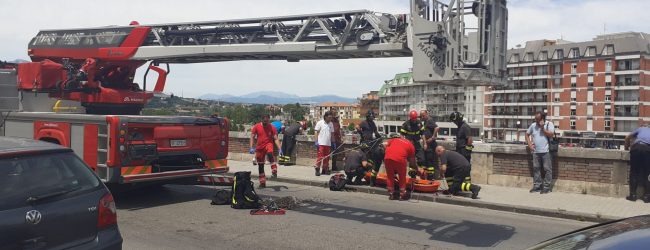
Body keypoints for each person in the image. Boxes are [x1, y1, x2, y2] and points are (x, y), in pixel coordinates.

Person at [525, 111, 555, 194]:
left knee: (547, 169)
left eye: (538, 119)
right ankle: (537, 186)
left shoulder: (549, 124)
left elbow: (551, 135)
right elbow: (527, 134)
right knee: (536, 169)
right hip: (535, 152)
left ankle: (546, 187)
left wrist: (542, 128)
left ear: (542, 119)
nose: (536, 121)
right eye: (535, 119)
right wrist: (530, 145)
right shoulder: (533, 125)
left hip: (546, 151)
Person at [249, 114, 283, 188]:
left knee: (270, 154)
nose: (265, 123)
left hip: (268, 144)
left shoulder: (272, 127)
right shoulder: (256, 126)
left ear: (268, 120)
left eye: (267, 121)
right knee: (261, 166)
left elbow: (275, 138)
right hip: (259, 147)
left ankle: (274, 170)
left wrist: (280, 148)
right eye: (264, 122)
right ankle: (262, 182)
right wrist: (251, 147)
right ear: (261, 120)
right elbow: (252, 137)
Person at [384, 133, 417, 200]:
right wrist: (416, 169)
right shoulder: (411, 145)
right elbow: (412, 162)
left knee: (390, 176)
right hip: (400, 159)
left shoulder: (394, 139)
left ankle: (391, 194)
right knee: (402, 176)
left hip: (387, 158)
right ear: (412, 141)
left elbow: (385, 144)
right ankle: (402, 194)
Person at [356, 109, 383, 185]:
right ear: (368, 117)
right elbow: (357, 126)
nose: (372, 118)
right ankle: (360, 177)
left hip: (371, 143)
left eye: (372, 117)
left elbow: (376, 132)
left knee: (372, 159)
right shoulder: (364, 122)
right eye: (370, 117)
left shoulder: (373, 124)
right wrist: (361, 133)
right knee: (366, 158)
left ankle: (369, 176)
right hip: (365, 142)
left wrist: (380, 137)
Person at [624, 125, 650, 202]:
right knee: (648, 174)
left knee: (634, 172)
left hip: (636, 148)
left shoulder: (640, 129)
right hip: (647, 150)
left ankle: (633, 195)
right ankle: (647, 197)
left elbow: (627, 137)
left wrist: (626, 147)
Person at [400, 110, 426, 179]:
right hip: (409, 145)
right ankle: (413, 176)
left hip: (417, 143)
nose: (414, 121)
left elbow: (423, 134)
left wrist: (425, 143)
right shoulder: (406, 124)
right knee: (411, 161)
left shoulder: (419, 123)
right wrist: (404, 144)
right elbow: (402, 135)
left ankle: (423, 174)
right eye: (413, 119)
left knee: (422, 159)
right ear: (410, 118)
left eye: (415, 119)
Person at [421, 110, 440, 180]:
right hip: (427, 145)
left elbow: (437, 128)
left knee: (430, 161)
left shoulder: (430, 120)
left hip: (431, 145)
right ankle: (427, 176)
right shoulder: (425, 122)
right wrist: (425, 143)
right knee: (426, 161)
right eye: (421, 116)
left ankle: (431, 177)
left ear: (427, 114)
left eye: (423, 115)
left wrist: (432, 137)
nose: (422, 117)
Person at [314, 111, 334, 176]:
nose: (330, 119)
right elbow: (316, 132)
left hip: (328, 143)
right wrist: (316, 141)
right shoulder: (320, 123)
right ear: (325, 117)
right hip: (321, 143)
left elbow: (332, 133)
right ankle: (317, 169)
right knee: (320, 157)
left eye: (331, 117)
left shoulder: (331, 124)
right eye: (329, 117)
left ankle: (324, 169)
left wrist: (333, 142)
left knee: (327, 158)